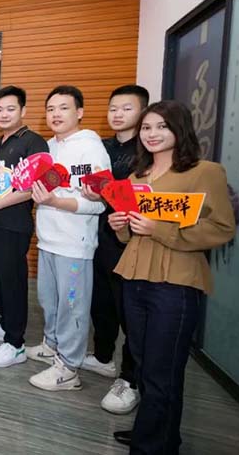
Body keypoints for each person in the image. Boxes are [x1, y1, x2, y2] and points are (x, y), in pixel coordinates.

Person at [108, 101, 234, 451]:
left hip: (176, 283)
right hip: (134, 278)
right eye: (147, 128)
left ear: (180, 129)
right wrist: (120, 225)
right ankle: (156, 432)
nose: (152, 134)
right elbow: (129, 236)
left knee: (163, 369)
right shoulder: (136, 176)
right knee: (143, 363)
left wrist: (158, 229)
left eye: (162, 126)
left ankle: (151, 444)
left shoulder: (205, 172)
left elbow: (222, 228)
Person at [27, 85, 111, 391]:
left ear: (80, 112)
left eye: (63, 108)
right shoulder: (47, 149)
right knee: (48, 301)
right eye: (50, 109)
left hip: (75, 245)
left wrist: (55, 201)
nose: (56, 114)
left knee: (72, 306)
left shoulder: (91, 149)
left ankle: (69, 368)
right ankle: (52, 346)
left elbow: (99, 203)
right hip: (47, 239)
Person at [80, 85, 148, 414]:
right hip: (100, 234)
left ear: (143, 111)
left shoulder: (146, 150)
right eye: (113, 108)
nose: (118, 114)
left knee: (129, 311)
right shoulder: (101, 146)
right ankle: (103, 357)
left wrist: (105, 194)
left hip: (132, 239)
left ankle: (130, 379)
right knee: (101, 302)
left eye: (126, 108)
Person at [0, 86, 49, 368]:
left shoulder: (33, 142)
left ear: (23, 111)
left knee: (13, 283)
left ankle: (16, 343)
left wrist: (1, 203)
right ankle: (5, 324)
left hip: (13, 225)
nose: (4, 114)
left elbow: (37, 186)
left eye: (10, 109)